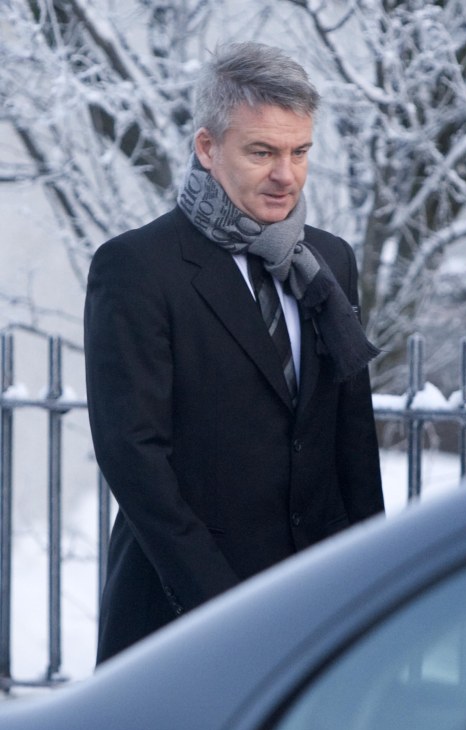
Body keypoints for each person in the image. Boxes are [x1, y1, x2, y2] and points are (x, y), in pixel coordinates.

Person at [84, 42, 385, 663]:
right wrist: (223, 608)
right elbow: (134, 458)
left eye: (300, 152)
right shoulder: (137, 267)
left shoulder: (328, 261)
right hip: (183, 616)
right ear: (206, 148)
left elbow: (350, 440)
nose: (287, 175)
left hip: (316, 608)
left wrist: (370, 585)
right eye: (262, 152)